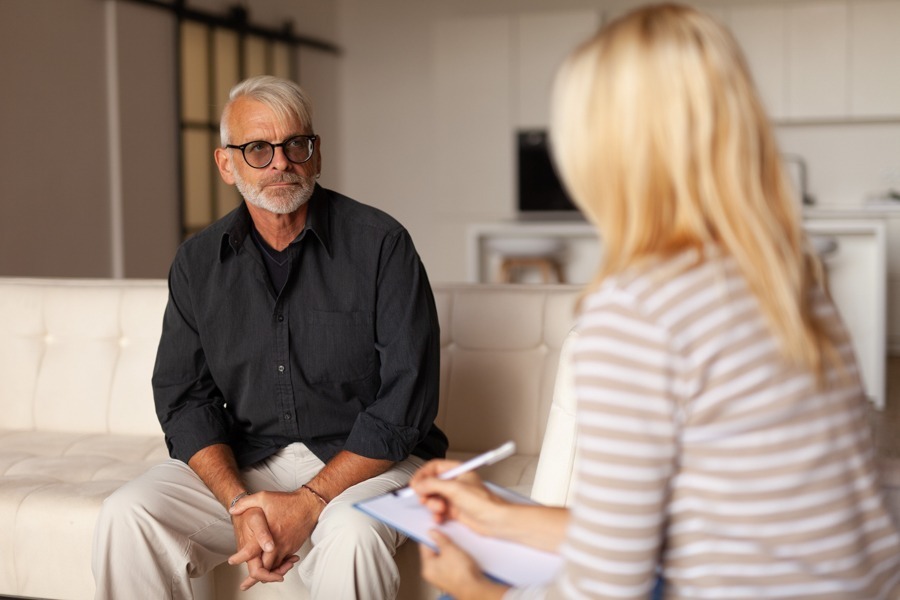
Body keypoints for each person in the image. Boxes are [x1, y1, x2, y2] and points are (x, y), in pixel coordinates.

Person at [409, 4, 900, 599]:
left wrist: (475, 591)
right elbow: (684, 526)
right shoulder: (790, 282)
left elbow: (608, 587)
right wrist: (496, 512)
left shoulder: (639, 311)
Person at [92, 75, 448, 599]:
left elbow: (406, 403)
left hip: (372, 463)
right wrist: (239, 504)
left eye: (295, 145)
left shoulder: (382, 245)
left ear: (316, 153)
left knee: (351, 533)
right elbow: (185, 399)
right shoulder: (198, 262)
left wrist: (309, 502)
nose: (280, 163)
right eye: (257, 148)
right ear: (226, 163)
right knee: (128, 514)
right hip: (251, 457)